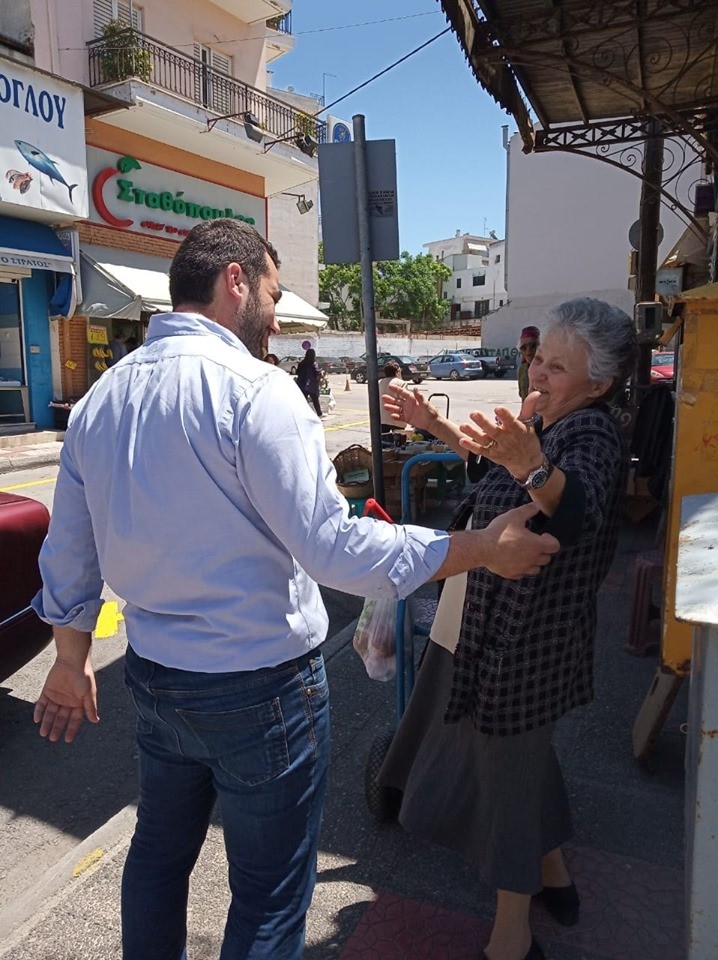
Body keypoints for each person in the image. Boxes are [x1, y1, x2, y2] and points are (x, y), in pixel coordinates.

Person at [31, 218, 560, 960]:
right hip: (261, 689)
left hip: (157, 680)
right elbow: (333, 548)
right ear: (235, 280)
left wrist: (69, 654)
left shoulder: (99, 401)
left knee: (157, 856)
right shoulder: (257, 392)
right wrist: (479, 548)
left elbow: (70, 552)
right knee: (270, 893)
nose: (278, 316)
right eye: (275, 294)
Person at [380, 298, 637, 960]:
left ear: (599, 384)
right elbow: (488, 461)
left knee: (507, 779)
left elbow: (575, 510)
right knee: (517, 763)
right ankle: (553, 874)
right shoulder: (543, 419)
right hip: (474, 620)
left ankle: (511, 939)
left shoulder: (593, 435)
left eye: (557, 366)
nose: (538, 374)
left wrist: (533, 468)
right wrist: (432, 421)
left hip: (527, 642)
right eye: (537, 358)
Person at [378, 360, 407, 435]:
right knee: (399, 440)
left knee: (384, 440)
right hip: (397, 417)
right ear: (397, 371)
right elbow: (404, 399)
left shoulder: (380, 382)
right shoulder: (401, 383)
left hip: (383, 417)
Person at [295, 347, 322, 417]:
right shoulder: (314, 363)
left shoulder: (302, 363)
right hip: (312, 385)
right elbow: (317, 372)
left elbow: (297, 372)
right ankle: (319, 414)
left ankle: (301, 414)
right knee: (315, 401)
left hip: (302, 384)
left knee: (302, 401)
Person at [517, 325, 540, 400]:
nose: (528, 352)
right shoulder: (523, 369)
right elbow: (522, 394)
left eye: (533, 346)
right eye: (523, 348)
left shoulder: (549, 370)